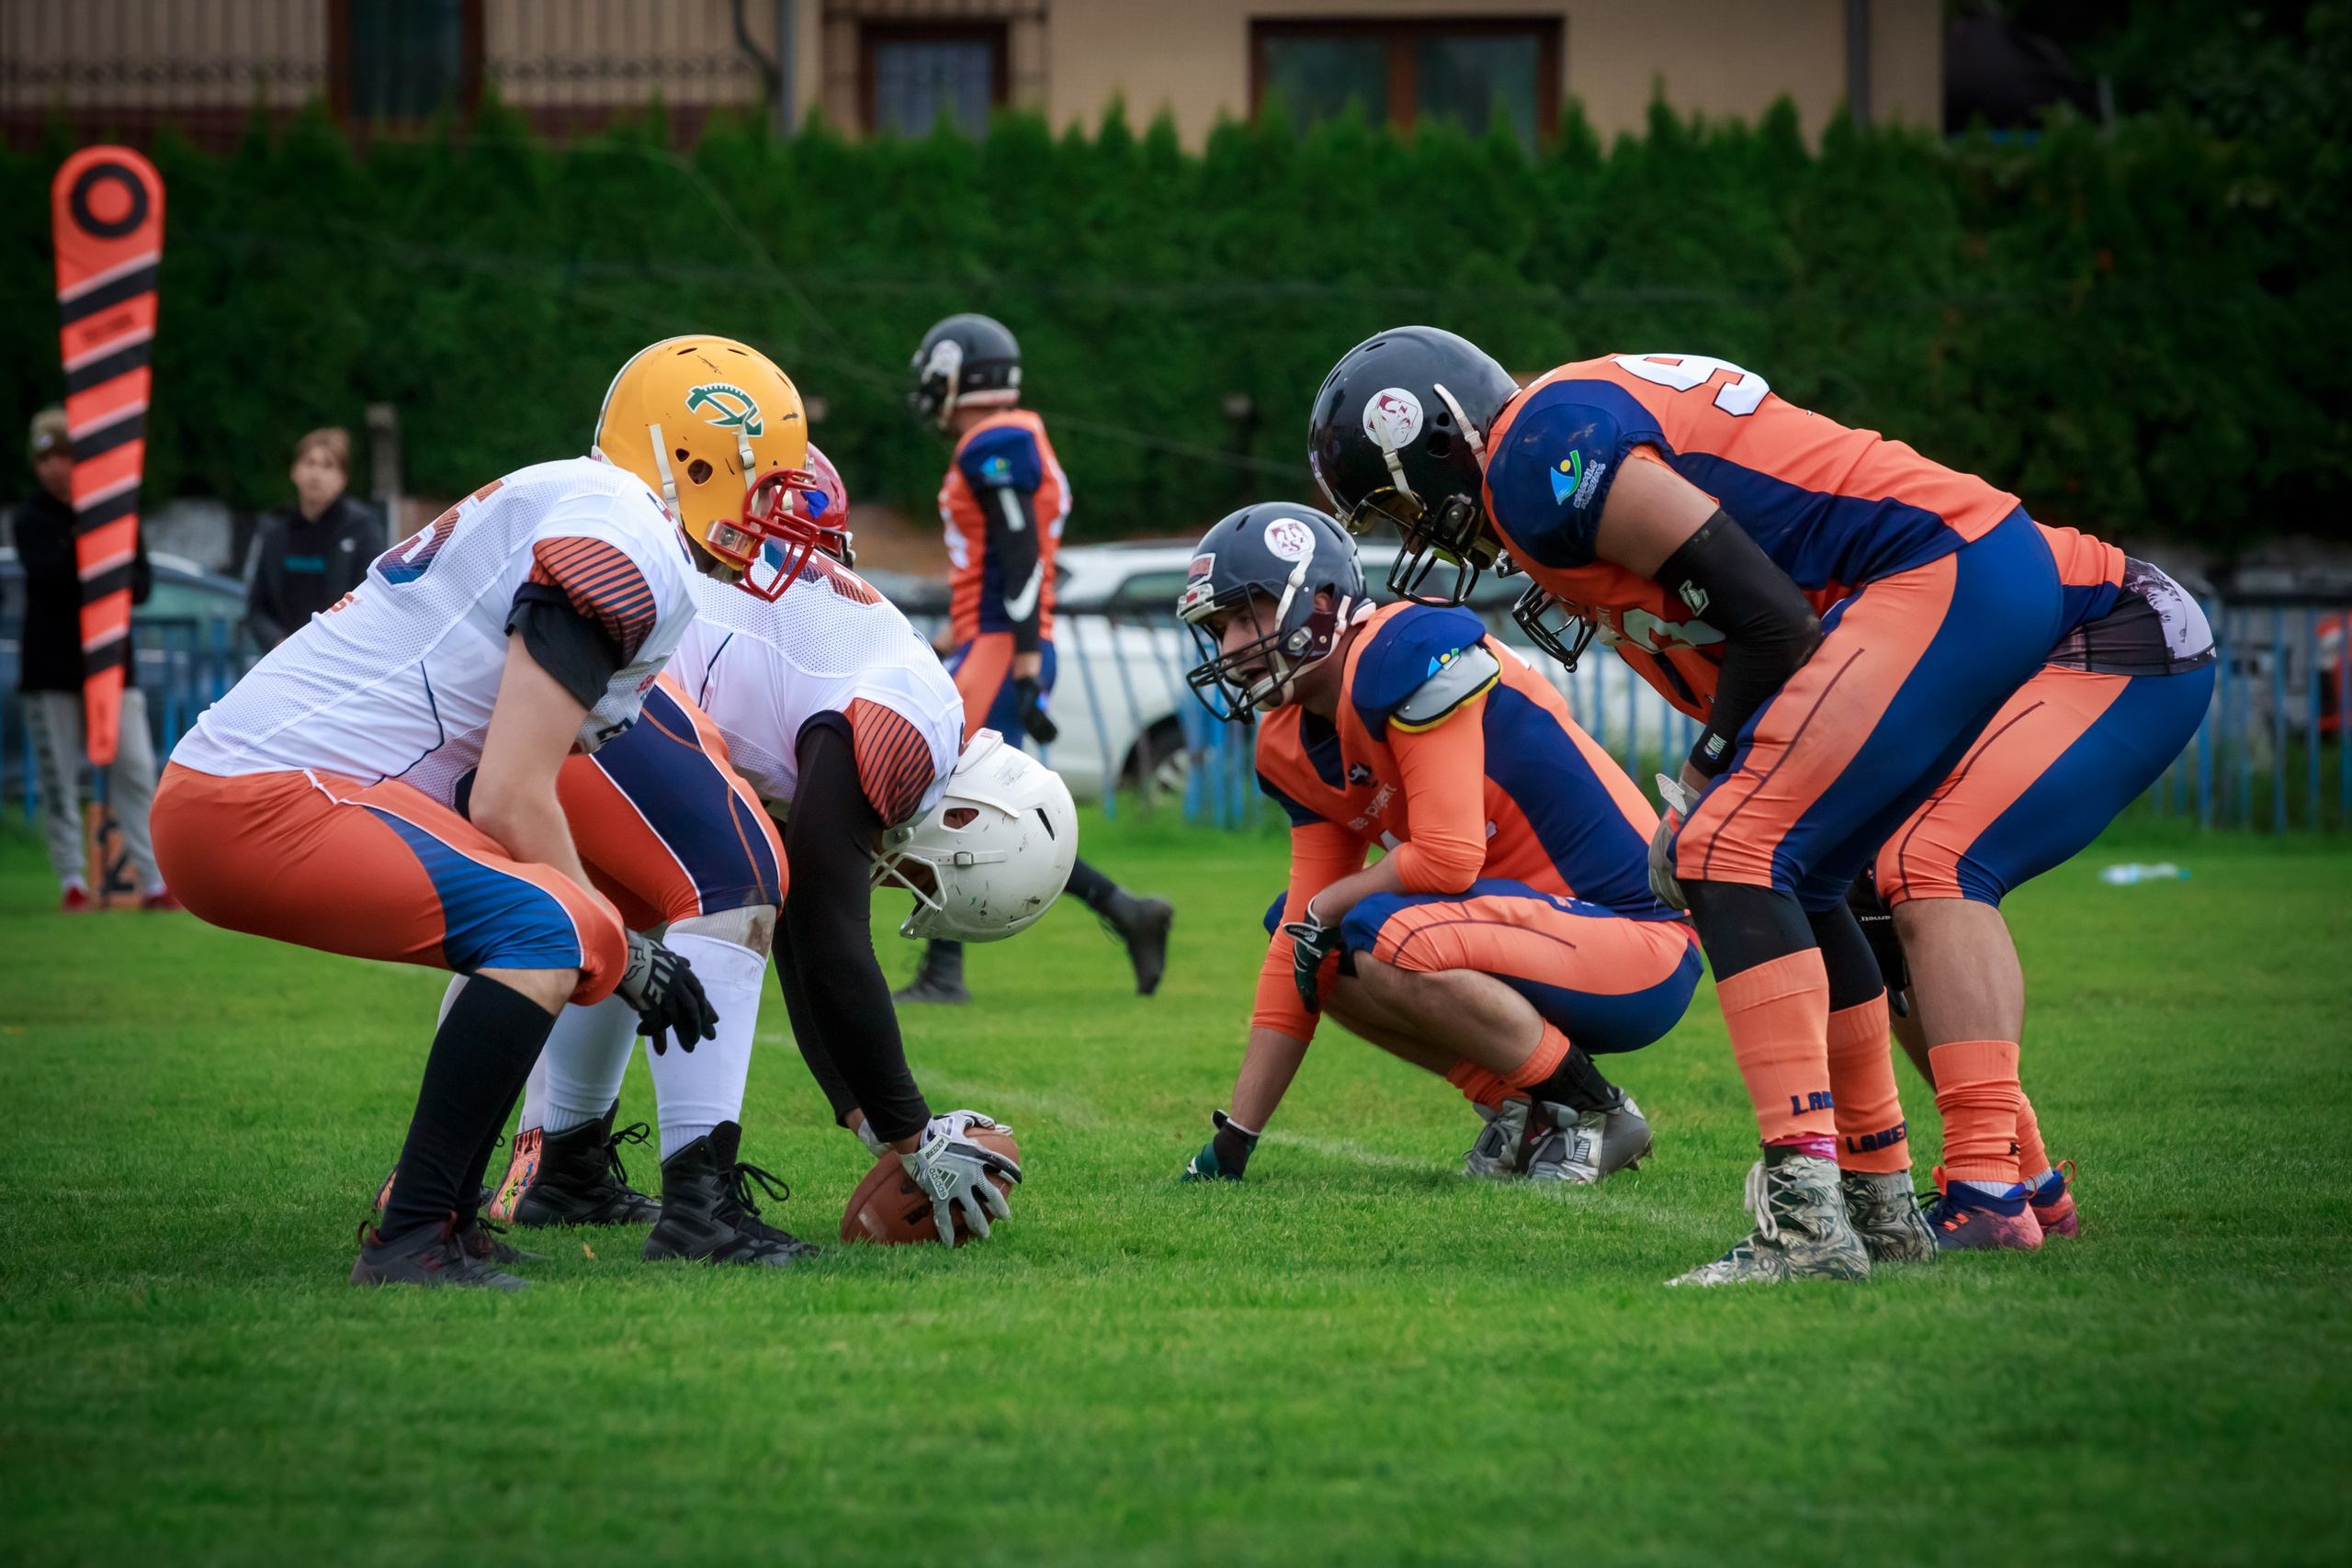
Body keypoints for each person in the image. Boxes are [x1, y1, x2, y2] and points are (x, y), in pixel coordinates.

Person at [1306, 332, 2132, 1284]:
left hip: (1940, 567)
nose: (1415, 532)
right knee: (1813, 880)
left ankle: (1809, 1222)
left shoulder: (1535, 455)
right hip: (1955, 563)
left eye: (1399, 503)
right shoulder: (1558, 426)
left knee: (1726, 849)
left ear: (1435, 439)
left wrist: (1699, 784)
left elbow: (1771, 618)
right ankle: (1880, 1199)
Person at [147, 335, 828, 1289]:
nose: (772, 517)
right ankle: (412, 1236)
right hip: (267, 793)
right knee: (555, 927)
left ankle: (448, 1220)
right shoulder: (624, 537)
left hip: (274, 781)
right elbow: (510, 792)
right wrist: (621, 951)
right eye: (764, 486)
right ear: (695, 459)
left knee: (554, 920)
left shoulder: (590, 500)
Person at [486, 439, 1052, 1254]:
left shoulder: (885, 684)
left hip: (573, 644)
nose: (901, 881)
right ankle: (699, 1208)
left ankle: (562, 1169)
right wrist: (915, 1132)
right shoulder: (917, 720)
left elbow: (798, 934)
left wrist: (867, 1115)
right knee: (731, 882)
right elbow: (826, 935)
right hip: (601, 651)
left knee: (632, 901)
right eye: (923, 880)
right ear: (966, 829)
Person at [1170, 503, 1698, 1187]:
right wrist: (1236, 1138)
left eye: (1247, 617)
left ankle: (1596, 1110)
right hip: (1519, 936)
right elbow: (1303, 932)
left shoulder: (1404, 648)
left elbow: (1449, 857)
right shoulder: (1288, 742)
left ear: (1320, 601)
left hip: (1639, 946)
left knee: (1378, 929)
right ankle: (1521, 1107)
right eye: (1219, 630)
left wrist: (1333, 903)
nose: (1230, 648)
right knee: (1308, 942)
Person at [892, 312, 1173, 1006]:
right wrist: (959, 639)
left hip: (1003, 646)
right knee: (974, 806)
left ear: (957, 372)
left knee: (950, 803)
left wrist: (1017, 659)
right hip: (993, 641)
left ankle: (944, 971)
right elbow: (998, 561)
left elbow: (1019, 551)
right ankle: (1126, 911)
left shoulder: (997, 440)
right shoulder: (1013, 436)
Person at [12, 407, 172, 911]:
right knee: (59, 779)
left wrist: (104, 548)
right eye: (45, 459)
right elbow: (51, 575)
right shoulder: (31, 517)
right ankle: (72, 881)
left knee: (136, 769)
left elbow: (140, 585)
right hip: (51, 669)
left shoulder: (116, 508)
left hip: (112, 666)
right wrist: (92, 544)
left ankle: (155, 882)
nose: (54, 467)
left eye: (63, 454)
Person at [243, 427, 384, 651]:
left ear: (343, 478)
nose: (316, 474)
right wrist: (278, 642)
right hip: (286, 658)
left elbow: (373, 600)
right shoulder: (276, 532)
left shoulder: (362, 529)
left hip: (340, 654)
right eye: (310, 463)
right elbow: (257, 609)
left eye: (328, 465)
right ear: (294, 471)